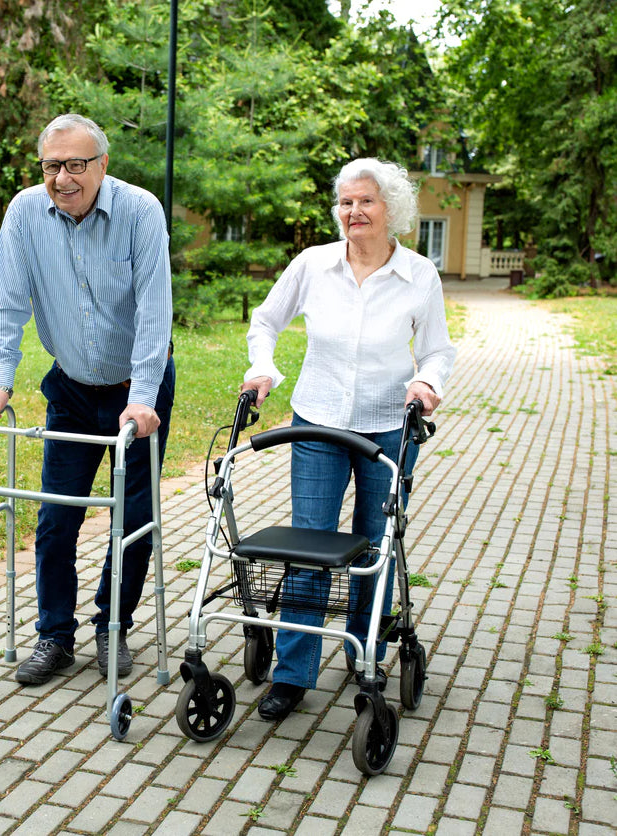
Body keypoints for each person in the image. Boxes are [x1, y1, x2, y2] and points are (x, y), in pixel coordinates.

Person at [241, 157, 455, 721]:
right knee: (310, 544)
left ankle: (366, 655)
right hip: (318, 420)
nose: (353, 212)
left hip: (389, 424)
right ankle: (292, 674)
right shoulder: (313, 265)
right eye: (346, 202)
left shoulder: (418, 275)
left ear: (392, 210)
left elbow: (437, 349)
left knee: (373, 546)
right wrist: (263, 368)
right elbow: (265, 321)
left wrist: (426, 382)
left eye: (366, 201)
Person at [0, 114, 174, 685]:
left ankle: (113, 628)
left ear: (102, 166)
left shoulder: (139, 211)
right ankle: (55, 636)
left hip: (141, 387)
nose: (63, 178)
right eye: (52, 166)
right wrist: (0, 380)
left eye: (76, 165)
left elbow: (155, 313)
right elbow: (8, 301)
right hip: (72, 387)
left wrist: (140, 400)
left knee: (134, 516)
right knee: (57, 518)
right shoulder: (24, 212)